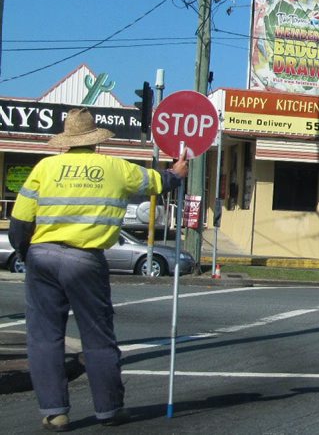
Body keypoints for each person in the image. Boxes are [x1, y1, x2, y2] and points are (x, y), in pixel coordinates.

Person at [8, 108, 188, 431]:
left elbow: (19, 224)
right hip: (86, 260)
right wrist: (177, 171)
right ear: (96, 142)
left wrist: (27, 254)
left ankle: (55, 412)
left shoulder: (45, 168)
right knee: (97, 337)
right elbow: (158, 183)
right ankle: (109, 410)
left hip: (42, 258)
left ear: (66, 141)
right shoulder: (114, 168)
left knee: (45, 337)